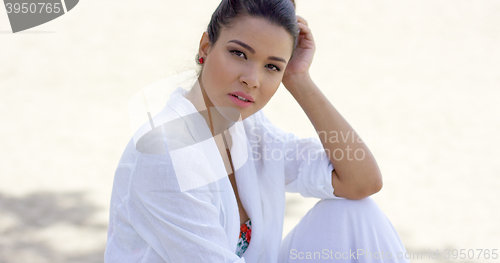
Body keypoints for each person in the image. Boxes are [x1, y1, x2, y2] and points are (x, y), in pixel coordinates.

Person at [104, 0, 410, 262]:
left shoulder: (248, 130)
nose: (252, 80)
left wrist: (300, 80)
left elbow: (361, 181)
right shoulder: (167, 154)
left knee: (356, 214)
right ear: (206, 46)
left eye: (272, 67)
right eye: (239, 54)